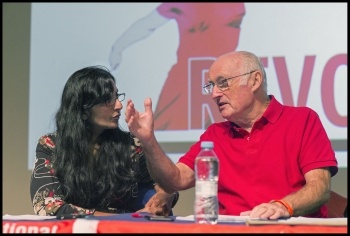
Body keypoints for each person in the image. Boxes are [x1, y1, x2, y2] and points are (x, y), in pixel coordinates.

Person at [124, 51, 338, 219]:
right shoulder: (215, 135)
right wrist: (148, 140)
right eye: (211, 86)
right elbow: (175, 180)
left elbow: (319, 188)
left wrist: (283, 206)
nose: (215, 94)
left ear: (254, 81)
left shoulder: (302, 120)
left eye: (223, 82)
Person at [30, 65, 179, 217]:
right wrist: (122, 219)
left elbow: (163, 184)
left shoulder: (131, 145)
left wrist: (166, 194)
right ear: (82, 109)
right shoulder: (51, 145)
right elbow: (47, 206)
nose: (119, 105)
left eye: (116, 96)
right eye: (108, 100)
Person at [109, 3, 246, 130]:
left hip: (221, 79)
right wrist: (118, 47)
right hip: (186, 79)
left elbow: (148, 24)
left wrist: (118, 48)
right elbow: (148, 24)